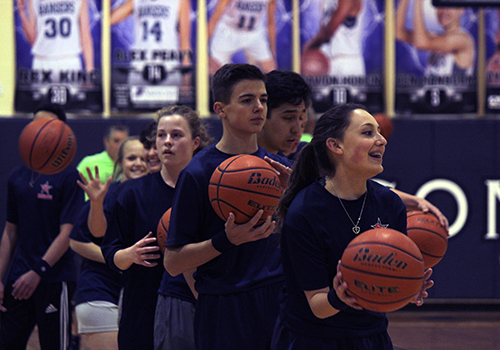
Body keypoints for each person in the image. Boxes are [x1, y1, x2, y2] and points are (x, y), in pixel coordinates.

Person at [270, 103, 434, 350]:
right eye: (368, 133)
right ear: (336, 146)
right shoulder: (304, 211)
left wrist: (405, 286)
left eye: (379, 132)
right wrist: (340, 297)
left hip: (371, 336)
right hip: (312, 338)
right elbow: (317, 305)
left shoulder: (391, 204)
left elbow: (383, 288)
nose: (382, 140)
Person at [163, 63, 291, 350]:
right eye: (247, 100)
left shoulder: (282, 169)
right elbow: (173, 263)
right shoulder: (197, 173)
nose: (259, 107)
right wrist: (226, 240)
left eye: (263, 99)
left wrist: (297, 195)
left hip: (278, 300)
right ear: (220, 109)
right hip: (223, 306)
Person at [257, 70, 449, 228]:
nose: (297, 127)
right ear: (263, 113)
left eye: (302, 117)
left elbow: (351, 189)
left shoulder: (308, 153)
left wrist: (414, 201)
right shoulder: (244, 165)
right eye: (288, 117)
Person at [100, 105, 212, 350]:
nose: (167, 142)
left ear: (195, 142)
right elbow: (110, 254)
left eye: (176, 135)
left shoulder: (212, 193)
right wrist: (129, 254)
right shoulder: (130, 193)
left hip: (201, 305)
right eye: (161, 135)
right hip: (141, 309)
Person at [0, 105, 84, 350]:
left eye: (49, 125)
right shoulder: (17, 176)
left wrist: (38, 271)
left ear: (62, 133)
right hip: (18, 278)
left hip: (53, 279)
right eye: (36, 123)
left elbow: (67, 233)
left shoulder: (70, 176)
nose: (41, 129)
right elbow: (10, 232)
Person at [69, 137, 148, 350]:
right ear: (120, 163)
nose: (138, 163)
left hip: (132, 295)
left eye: (143, 158)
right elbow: (77, 241)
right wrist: (118, 258)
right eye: (132, 158)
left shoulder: (152, 194)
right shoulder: (107, 194)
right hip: (99, 291)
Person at [110, 0, 192, 86]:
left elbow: (184, 41)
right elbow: (110, 19)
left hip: (168, 68)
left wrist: (186, 79)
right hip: (140, 68)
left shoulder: (180, 1)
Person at [16, 0, 95, 81]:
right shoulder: (33, 1)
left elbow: (85, 34)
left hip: (69, 60)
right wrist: (22, 13)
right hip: (42, 61)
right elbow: (33, 40)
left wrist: (89, 68)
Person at [395, 0, 475, 77]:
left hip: (455, 91)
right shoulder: (437, 38)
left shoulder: (463, 40)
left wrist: (418, 1)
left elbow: (421, 43)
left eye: (449, 6)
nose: (443, 11)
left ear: (461, 9)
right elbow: (399, 33)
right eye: (440, 5)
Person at [208, 0, 277, 74]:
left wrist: (272, 51)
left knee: (271, 71)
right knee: (215, 72)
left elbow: (271, 22)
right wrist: (203, 49)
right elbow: (215, 18)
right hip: (228, 31)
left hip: (254, 33)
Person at [257, 70, 312, 160]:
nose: (297, 129)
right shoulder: (237, 162)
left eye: (301, 117)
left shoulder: (309, 157)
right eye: (288, 118)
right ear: (261, 114)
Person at [303, 0, 366, 76]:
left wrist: (309, 46)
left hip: (348, 61)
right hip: (328, 61)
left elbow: (328, 33)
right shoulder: (326, 2)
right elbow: (323, 30)